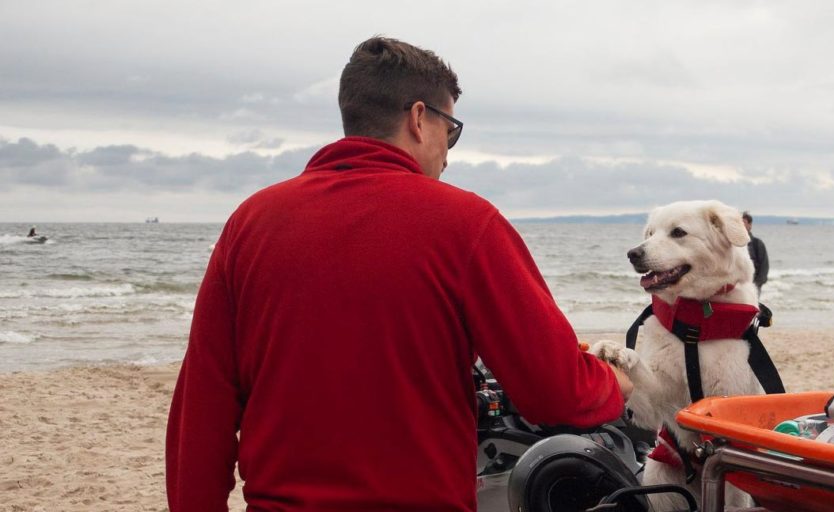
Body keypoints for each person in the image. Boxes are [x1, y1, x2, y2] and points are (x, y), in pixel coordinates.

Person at [165, 36, 632, 512]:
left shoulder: (250, 223)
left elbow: (202, 409)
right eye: (450, 131)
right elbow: (556, 392)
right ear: (418, 118)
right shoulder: (466, 224)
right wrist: (614, 381)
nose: (448, 154)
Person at [742, 211, 769, 295]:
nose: (741, 225)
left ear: (750, 225)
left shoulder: (757, 244)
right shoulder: (733, 245)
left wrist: (756, 285)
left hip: (753, 286)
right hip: (737, 287)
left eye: (743, 223)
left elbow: (764, 267)